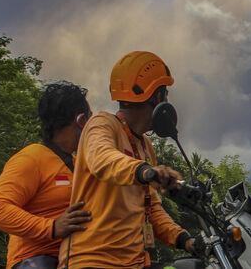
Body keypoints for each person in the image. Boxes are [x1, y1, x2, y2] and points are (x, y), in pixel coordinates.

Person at [59, 51, 194, 269]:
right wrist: (145, 171)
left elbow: (151, 208)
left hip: (135, 262)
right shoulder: (102, 124)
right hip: (92, 260)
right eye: (165, 93)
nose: (167, 101)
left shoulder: (144, 146)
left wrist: (184, 239)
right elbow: (102, 159)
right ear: (157, 97)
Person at [0, 82, 93, 269]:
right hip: (34, 260)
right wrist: (52, 227)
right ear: (80, 119)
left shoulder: (78, 165)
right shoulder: (32, 157)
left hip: (74, 258)